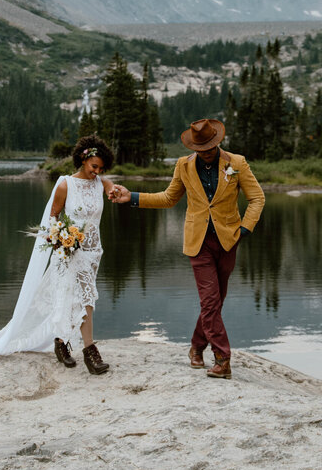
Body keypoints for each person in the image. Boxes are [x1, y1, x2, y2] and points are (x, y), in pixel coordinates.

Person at [0, 135, 117, 374]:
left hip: (93, 253)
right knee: (85, 300)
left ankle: (60, 344)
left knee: (70, 299)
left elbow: (111, 186)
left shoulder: (100, 183)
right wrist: (61, 239)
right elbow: (53, 219)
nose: (97, 172)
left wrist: (114, 189)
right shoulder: (65, 185)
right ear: (83, 160)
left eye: (101, 168)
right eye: (94, 167)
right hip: (70, 253)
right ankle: (91, 354)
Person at [110, 118, 264, 379]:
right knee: (210, 300)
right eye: (199, 148)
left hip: (229, 240)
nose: (203, 153)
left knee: (216, 301)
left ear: (217, 143)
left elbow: (257, 198)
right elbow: (169, 198)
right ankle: (223, 358)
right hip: (198, 242)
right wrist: (131, 198)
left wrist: (245, 229)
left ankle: (196, 346)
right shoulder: (183, 165)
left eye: (208, 148)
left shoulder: (236, 163)